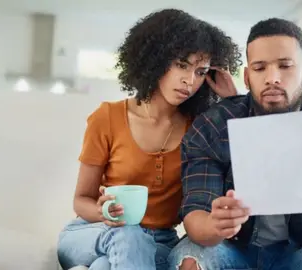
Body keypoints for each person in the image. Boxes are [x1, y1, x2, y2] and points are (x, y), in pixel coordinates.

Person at [168, 18, 302, 270]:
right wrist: (216, 225)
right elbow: (196, 219)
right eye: (260, 68)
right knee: (191, 258)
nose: (273, 78)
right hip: (232, 248)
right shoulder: (213, 125)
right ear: (248, 78)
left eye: (285, 66)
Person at [56, 8, 242, 270]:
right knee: (128, 235)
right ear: (156, 59)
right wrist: (105, 213)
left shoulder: (199, 128)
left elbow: (248, 159)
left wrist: (233, 101)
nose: (189, 81)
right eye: (181, 65)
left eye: (201, 72)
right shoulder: (107, 117)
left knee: (103, 267)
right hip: (93, 232)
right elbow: (81, 200)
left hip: (159, 243)